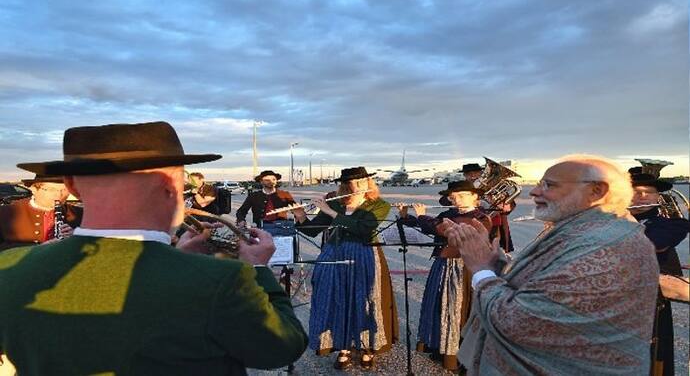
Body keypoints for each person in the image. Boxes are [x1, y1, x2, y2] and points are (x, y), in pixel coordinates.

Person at [0, 121, 307, 375]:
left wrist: (177, 260)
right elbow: (282, 347)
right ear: (174, 185)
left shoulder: (10, 267)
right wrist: (257, 269)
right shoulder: (221, 281)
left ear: (70, 185)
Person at [445, 155, 659, 375]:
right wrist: (497, 263)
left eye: (549, 185)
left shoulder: (605, 248)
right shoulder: (585, 231)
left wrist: (482, 270)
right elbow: (545, 283)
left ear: (597, 191)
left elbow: (516, 323)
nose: (534, 192)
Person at [292, 167, 397, 370]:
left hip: (364, 254)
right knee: (335, 298)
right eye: (351, 184)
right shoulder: (338, 203)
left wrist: (329, 212)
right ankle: (343, 346)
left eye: (361, 182)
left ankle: (367, 347)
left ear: (368, 183)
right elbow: (313, 231)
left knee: (363, 300)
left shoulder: (379, 205)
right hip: (334, 252)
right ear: (344, 186)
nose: (356, 187)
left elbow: (362, 229)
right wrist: (301, 217)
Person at [397, 181, 491, 371]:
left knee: (458, 309)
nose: (457, 199)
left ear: (475, 197)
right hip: (442, 265)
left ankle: (459, 355)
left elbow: (446, 229)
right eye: (453, 196)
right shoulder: (447, 214)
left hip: (464, 268)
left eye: (462, 195)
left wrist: (423, 216)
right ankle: (440, 346)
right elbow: (426, 225)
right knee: (440, 307)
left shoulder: (481, 217)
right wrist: (407, 216)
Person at [629, 172, 689, 375]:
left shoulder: (672, 224)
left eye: (649, 192)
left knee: (651, 358)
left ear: (658, 197)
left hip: (650, 306)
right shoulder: (606, 221)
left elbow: (653, 243)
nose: (643, 196)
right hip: (611, 302)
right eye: (636, 192)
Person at [0, 174, 81, 250]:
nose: (59, 195)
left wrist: (77, 238)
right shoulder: (5, 213)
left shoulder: (81, 214)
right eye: (51, 190)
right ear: (34, 189)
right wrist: (39, 249)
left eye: (64, 190)